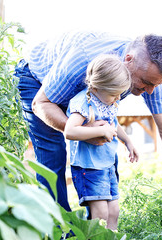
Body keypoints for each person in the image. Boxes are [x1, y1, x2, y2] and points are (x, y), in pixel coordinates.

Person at [14, 31, 162, 212]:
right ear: (129, 59)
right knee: (54, 152)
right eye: (146, 83)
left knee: (102, 146)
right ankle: (57, 229)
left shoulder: (149, 75)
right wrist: (85, 132)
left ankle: (99, 225)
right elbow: (40, 103)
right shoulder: (82, 60)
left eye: (155, 85)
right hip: (37, 80)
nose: (150, 91)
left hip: (77, 93)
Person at [64, 54, 138, 230]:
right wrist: (100, 130)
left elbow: (113, 122)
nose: (118, 98)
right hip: (89, 167)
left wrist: (127, 141)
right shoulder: (83, 103)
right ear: (97, 87)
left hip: (107, 164)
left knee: (114, 211)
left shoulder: (108, 100)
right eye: (114, 94)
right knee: (100, 215)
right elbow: (69, 130)